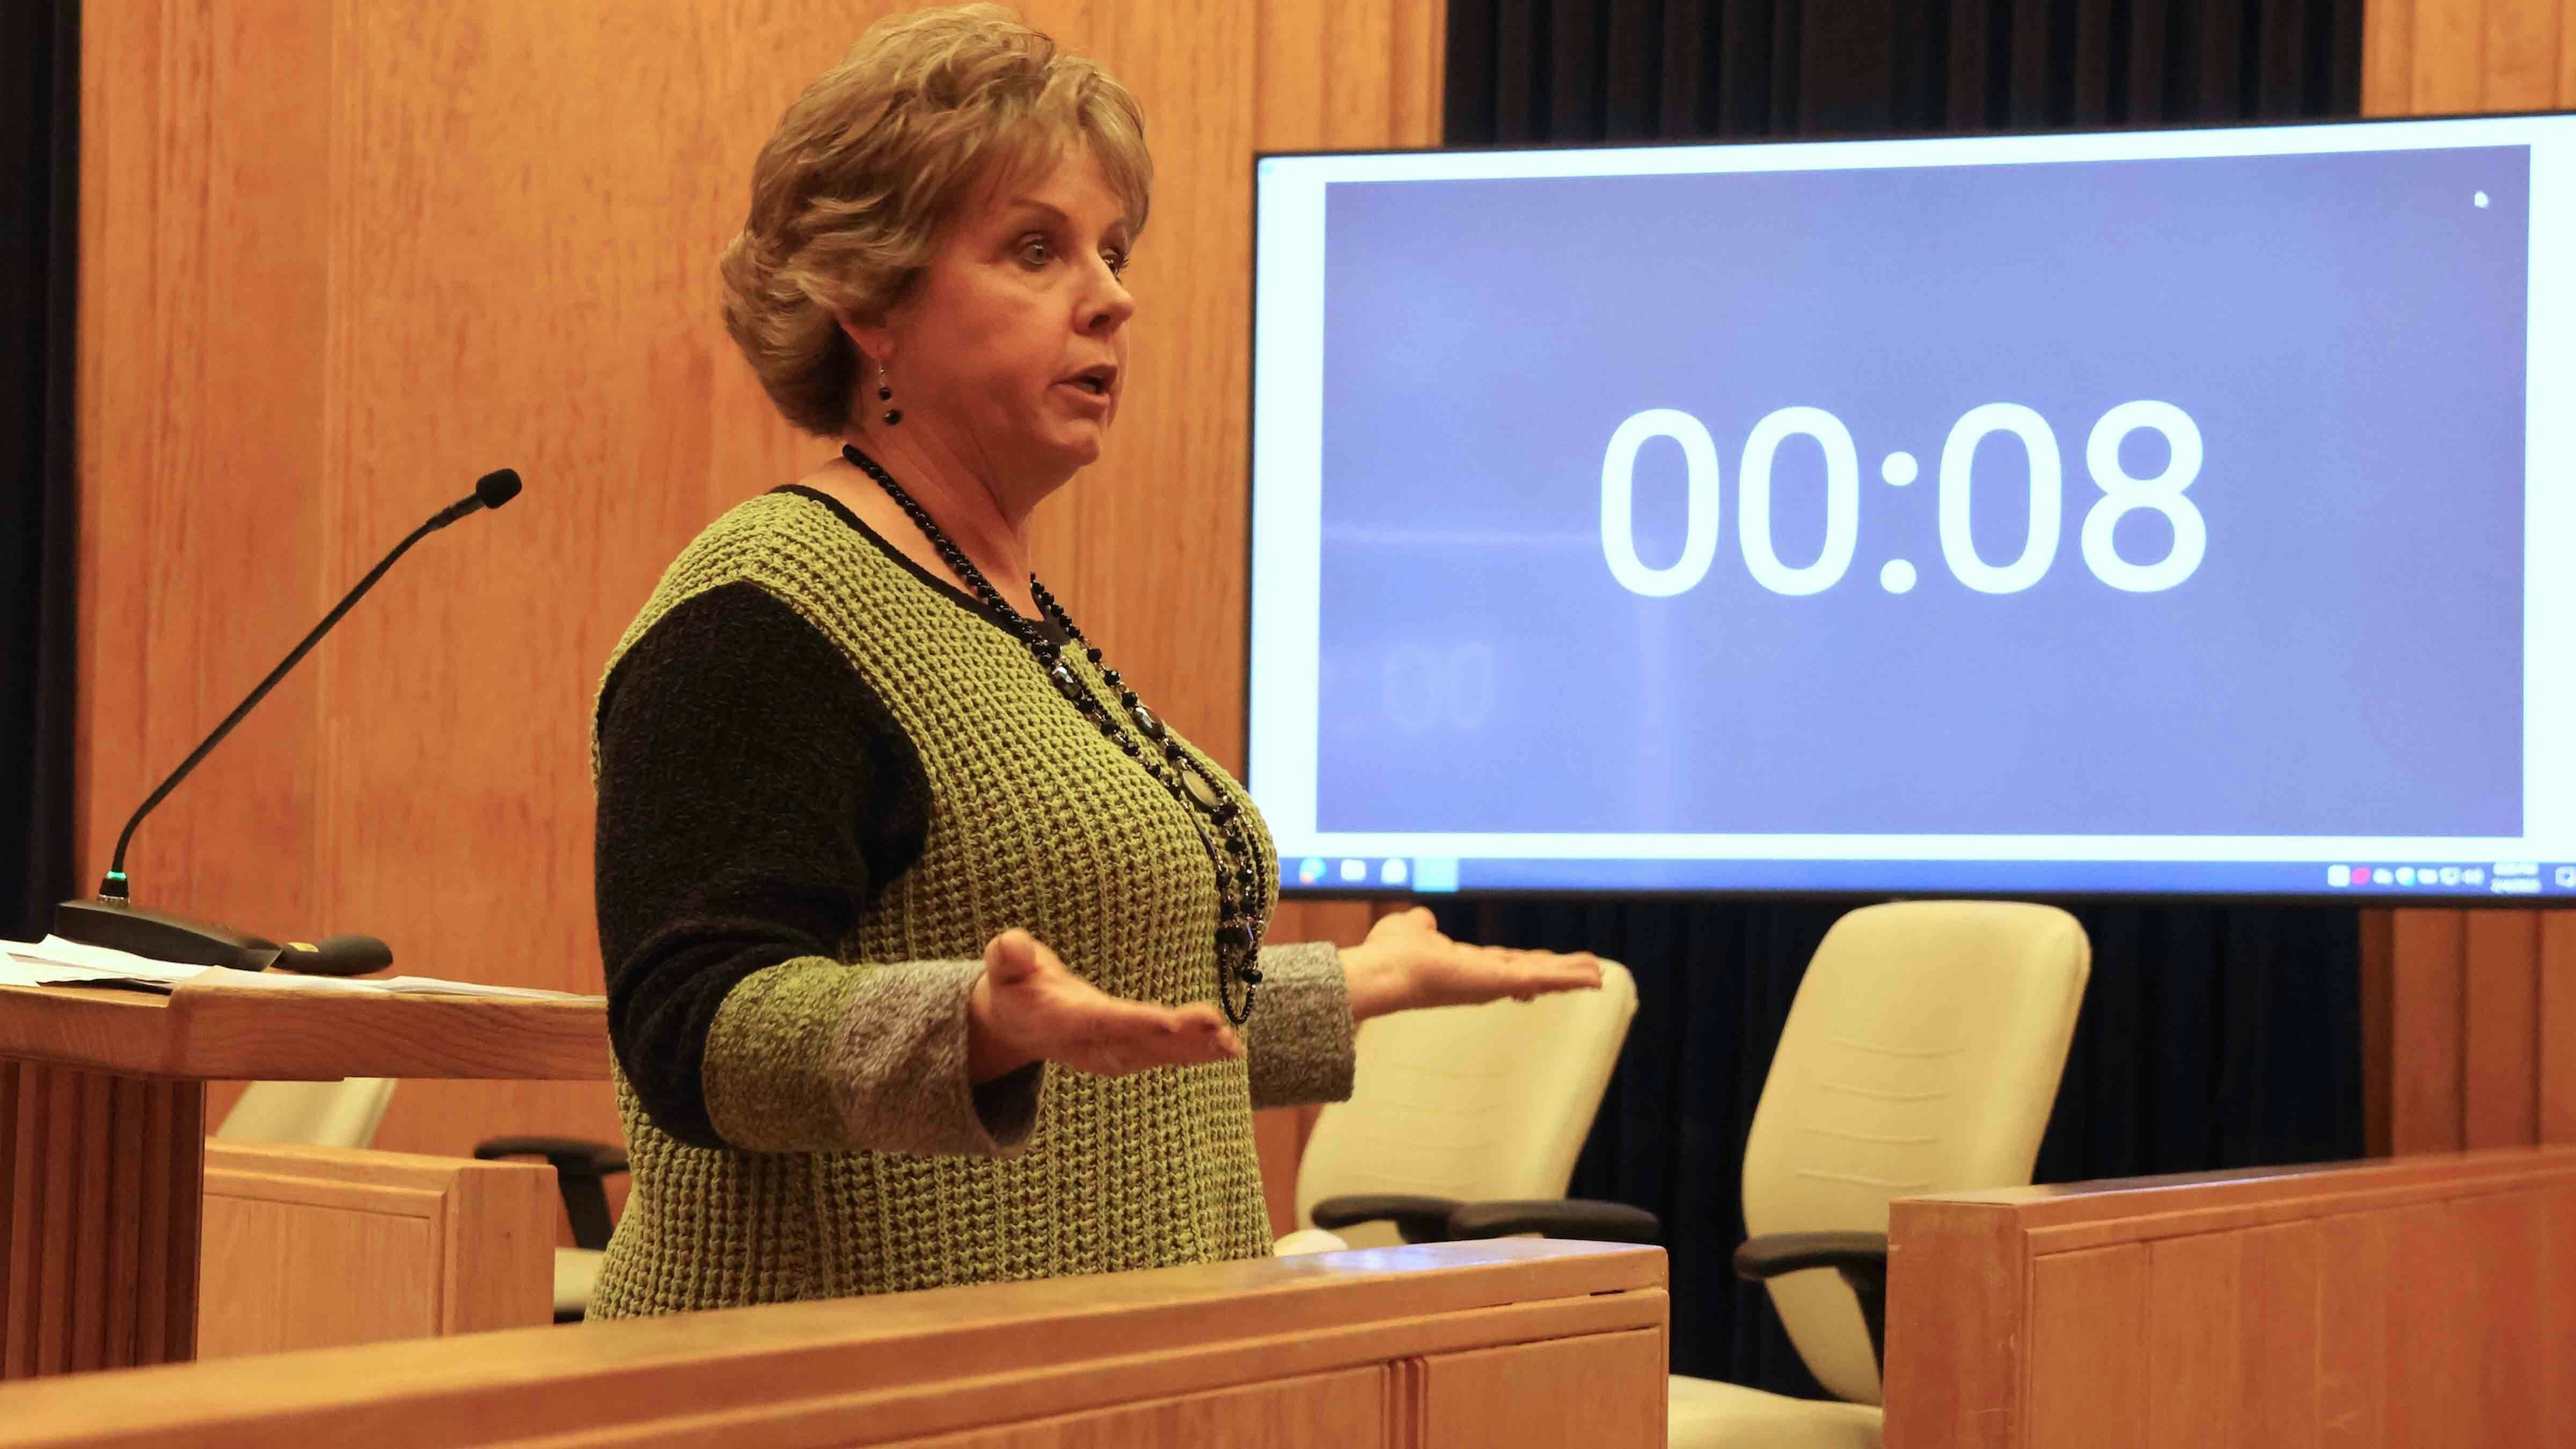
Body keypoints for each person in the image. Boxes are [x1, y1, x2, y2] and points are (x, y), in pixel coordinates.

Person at [588, 4, 1602, 1318]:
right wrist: (975, 1029)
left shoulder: (998, 605)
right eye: (1035, 248)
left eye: (1113, 251)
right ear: (871, 302)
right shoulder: (764, 611)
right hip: (856, 1393)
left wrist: (1352, 986)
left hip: (1103, 1377)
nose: (1114, 294)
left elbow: (1100, 1031)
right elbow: (696, 1034)